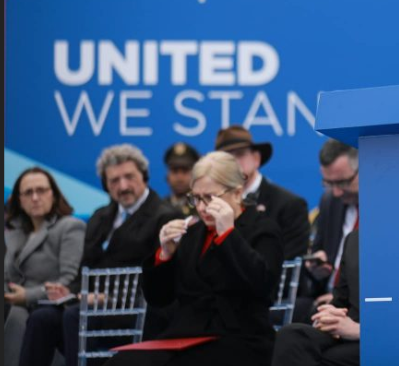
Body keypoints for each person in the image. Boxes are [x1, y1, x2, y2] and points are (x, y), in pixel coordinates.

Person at [105, 151, 284, 366]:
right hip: (185, 335)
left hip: (239, 338)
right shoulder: (193, 233)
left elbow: (263, 285)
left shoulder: (262, 229)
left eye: (210, 198)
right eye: (196, 198)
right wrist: (165, 255)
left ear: (237, 193)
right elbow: (159, 299)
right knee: (120, 363)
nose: (201, 207)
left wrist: (228, 234)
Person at [19, 144, 181, 366]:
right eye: (114, 180)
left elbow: (160, 278)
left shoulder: (164, 216)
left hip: (134, 310)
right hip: (90, 306)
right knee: (42, 317)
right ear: (106, 185)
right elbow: (86, 267)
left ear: (144, 177)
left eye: (129, 177)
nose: (123, 186)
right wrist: (69, 291)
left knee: (75, 316)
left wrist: (108, 298)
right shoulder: (100, 216)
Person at [3, 167, 85, 366]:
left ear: (53, 195)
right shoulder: (14, 232)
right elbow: (8, 276)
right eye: (28, 192)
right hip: (15, 307)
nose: (35, 197)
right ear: (19, 200)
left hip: (48, 310)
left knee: (20, 316)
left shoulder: (70, 226)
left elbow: (68, 280)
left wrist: (28, 296)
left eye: (41, 190)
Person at [214, 125, 309, 260]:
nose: (233, 163)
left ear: (256, 158)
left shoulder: (289, 205)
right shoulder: (210, 204)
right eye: (226, 158)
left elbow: (290, 261)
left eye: (240, 154)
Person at [272, 230, 360, 366]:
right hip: (346, 330)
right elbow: (340, 300)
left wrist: (360, 330)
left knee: (328, 356)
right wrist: (329, 316)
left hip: (378, 335)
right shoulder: (354, 239)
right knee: (291, 336)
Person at [297, 139, 361, 324]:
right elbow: (316, 274)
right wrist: (318, 272)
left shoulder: (387, 206)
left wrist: (338, 299)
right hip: (326, 300)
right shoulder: (329, 202)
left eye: (343, 182)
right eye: (328, 183)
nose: (336, 192)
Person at [163, 142, 201, 215]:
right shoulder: (158, 207)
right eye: (175, 171)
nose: (180, 178)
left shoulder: (201, 208)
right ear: (167, 175)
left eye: (185, 171)